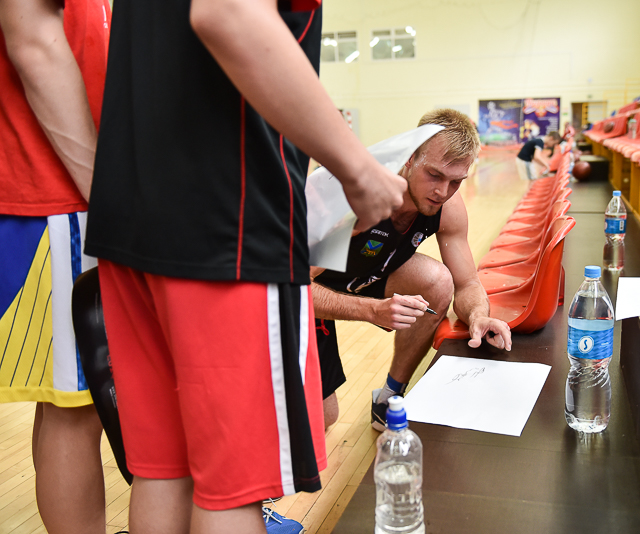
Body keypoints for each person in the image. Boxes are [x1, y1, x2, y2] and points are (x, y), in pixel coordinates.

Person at [84, 1, 406, 533]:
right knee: (233, 489)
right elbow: (228, 11)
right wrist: (359, 170)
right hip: (227, 227)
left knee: (164, 471)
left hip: (132, 219)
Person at [312, 109, 514, 431]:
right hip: (303, 288)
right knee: (321, 418)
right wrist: (371, 310)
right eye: (434, 175)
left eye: (455, 182)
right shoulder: (356, 195)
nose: (442, 192)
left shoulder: (448, 207)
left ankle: (390, 396)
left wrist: (478, 315)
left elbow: (467, 283)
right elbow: (289, 286)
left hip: (364, 273)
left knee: (438, 281)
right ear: (410, 158)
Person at [0, 1, 110, 532]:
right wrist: (107, 199)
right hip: (60, 196)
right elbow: (34, 45)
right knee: (76, 408)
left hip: (64, 198)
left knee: (61, 402)